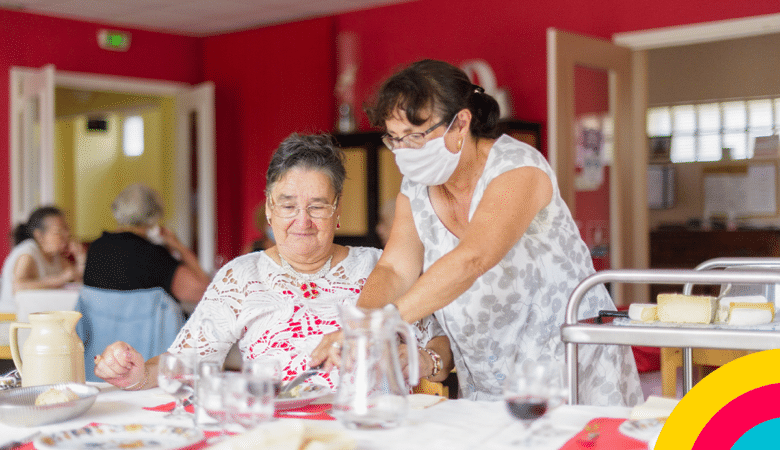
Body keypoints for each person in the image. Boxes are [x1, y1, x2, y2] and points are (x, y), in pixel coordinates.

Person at [312, 59, 642, 406]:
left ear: (461, 123)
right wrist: (359, 328)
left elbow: (473, 258)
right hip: (488, 367)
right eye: (395, 139)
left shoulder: (518, 168)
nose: (404, 151)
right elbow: (395, 268)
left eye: (416, 136)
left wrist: (385, 321)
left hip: (565, 354)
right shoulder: (415, 188)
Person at [93, 134, 452, 392]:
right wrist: (136, 374)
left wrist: (426, 362)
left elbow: (441, 346)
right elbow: (184, 361)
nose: (302, 221)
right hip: (275, 431)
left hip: (369, 428)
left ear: (337, 210)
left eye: (317, 206)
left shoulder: (382, 269)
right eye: (287, 205)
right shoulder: (240, 276)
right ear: (268, 208)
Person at [83, 184, 210, 306]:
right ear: (153, 216)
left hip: (103, 329)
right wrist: (178, 246)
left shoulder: (95, 248)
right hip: (149, 329)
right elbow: (205, 292)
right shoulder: (154, 256)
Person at [0, 206, 85, 313]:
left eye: (66, 229)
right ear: (39, 235)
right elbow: (18, 287)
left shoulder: (55, 255)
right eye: (59, 231)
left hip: (37, 315)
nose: (66, 235)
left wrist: (80, 257)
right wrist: (60, 279)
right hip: (12, 317)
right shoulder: (28, 253)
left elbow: (77, 278)